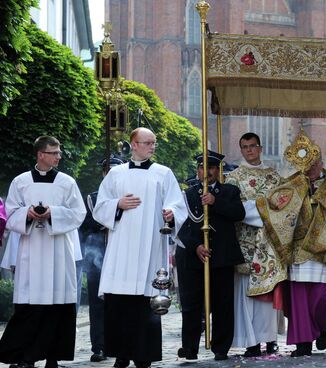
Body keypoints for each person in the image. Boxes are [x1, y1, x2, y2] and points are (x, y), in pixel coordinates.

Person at [256, 131, 326, 357]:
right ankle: (303, 343)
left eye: (314, 164)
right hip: (299, 249)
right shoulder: (293, 182)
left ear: (321, 162)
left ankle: (321, 327)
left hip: (323, 248)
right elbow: (277, 205)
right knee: (299, 299)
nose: (310, 169)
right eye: (306, 165)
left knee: (321, 299)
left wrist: (321, 204)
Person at [93, 127, 187, 368]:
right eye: (146, 143)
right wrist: (118, 204)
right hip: (122, 247)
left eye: (153, 143)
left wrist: (171, 213)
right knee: (120, 304)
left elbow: (178, 205)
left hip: (150, 246)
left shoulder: (163, 173)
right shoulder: (115, 174)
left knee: (147, 303)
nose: (152, 147)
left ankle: (144, 355)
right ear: (133, 144)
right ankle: (121, 355)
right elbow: (100, 206)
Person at [0, 136, 86, 368]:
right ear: (40, 155)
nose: (59, 156)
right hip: (31, 251)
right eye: (54, 152)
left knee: (58, 306)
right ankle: (25, 356)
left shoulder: (67, 182)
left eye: (59, 152)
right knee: (30, 306)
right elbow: (10, 212)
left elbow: (79, 213)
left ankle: (53, 357)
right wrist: (28, 213)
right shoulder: (21, 182)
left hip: (59, 251)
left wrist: (53, 213)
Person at [176, 150, 246, 361]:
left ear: (218, 170)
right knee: (191, 305)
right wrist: (195, 245)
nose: (206, 172)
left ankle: (221, 347)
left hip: (221, 257)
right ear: (197, 170)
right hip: (194, 257)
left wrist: (215, 202)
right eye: (202, 168)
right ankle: (189, 347)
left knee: (223, 305)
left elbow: (238, 214)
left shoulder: (229, 191)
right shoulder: (186, 195)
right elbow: (180, 226)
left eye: (211, 168)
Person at [224, 133, 284, 357]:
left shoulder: (275, 177)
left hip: (269, 243)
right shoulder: (234, 178)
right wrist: (263, 211)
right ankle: (250, 341)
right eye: (244, 147)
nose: (249, 150)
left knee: (267, 294)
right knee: (246, 294)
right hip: (244, 242)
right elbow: (234, 210)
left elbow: (282, 207)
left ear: (260, 148)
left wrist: (260, 209)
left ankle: (269, 339)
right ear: (241, 150)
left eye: (252, 146)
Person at [78, 156, 125, 363]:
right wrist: (102, 224)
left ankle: (121, 346)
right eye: (107, 170)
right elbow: (84, 225)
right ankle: (99, 346)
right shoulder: (92, 198)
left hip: (122, 255)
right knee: (98, 305)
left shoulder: (129, 197)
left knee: (121, 303)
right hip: (98, 254)